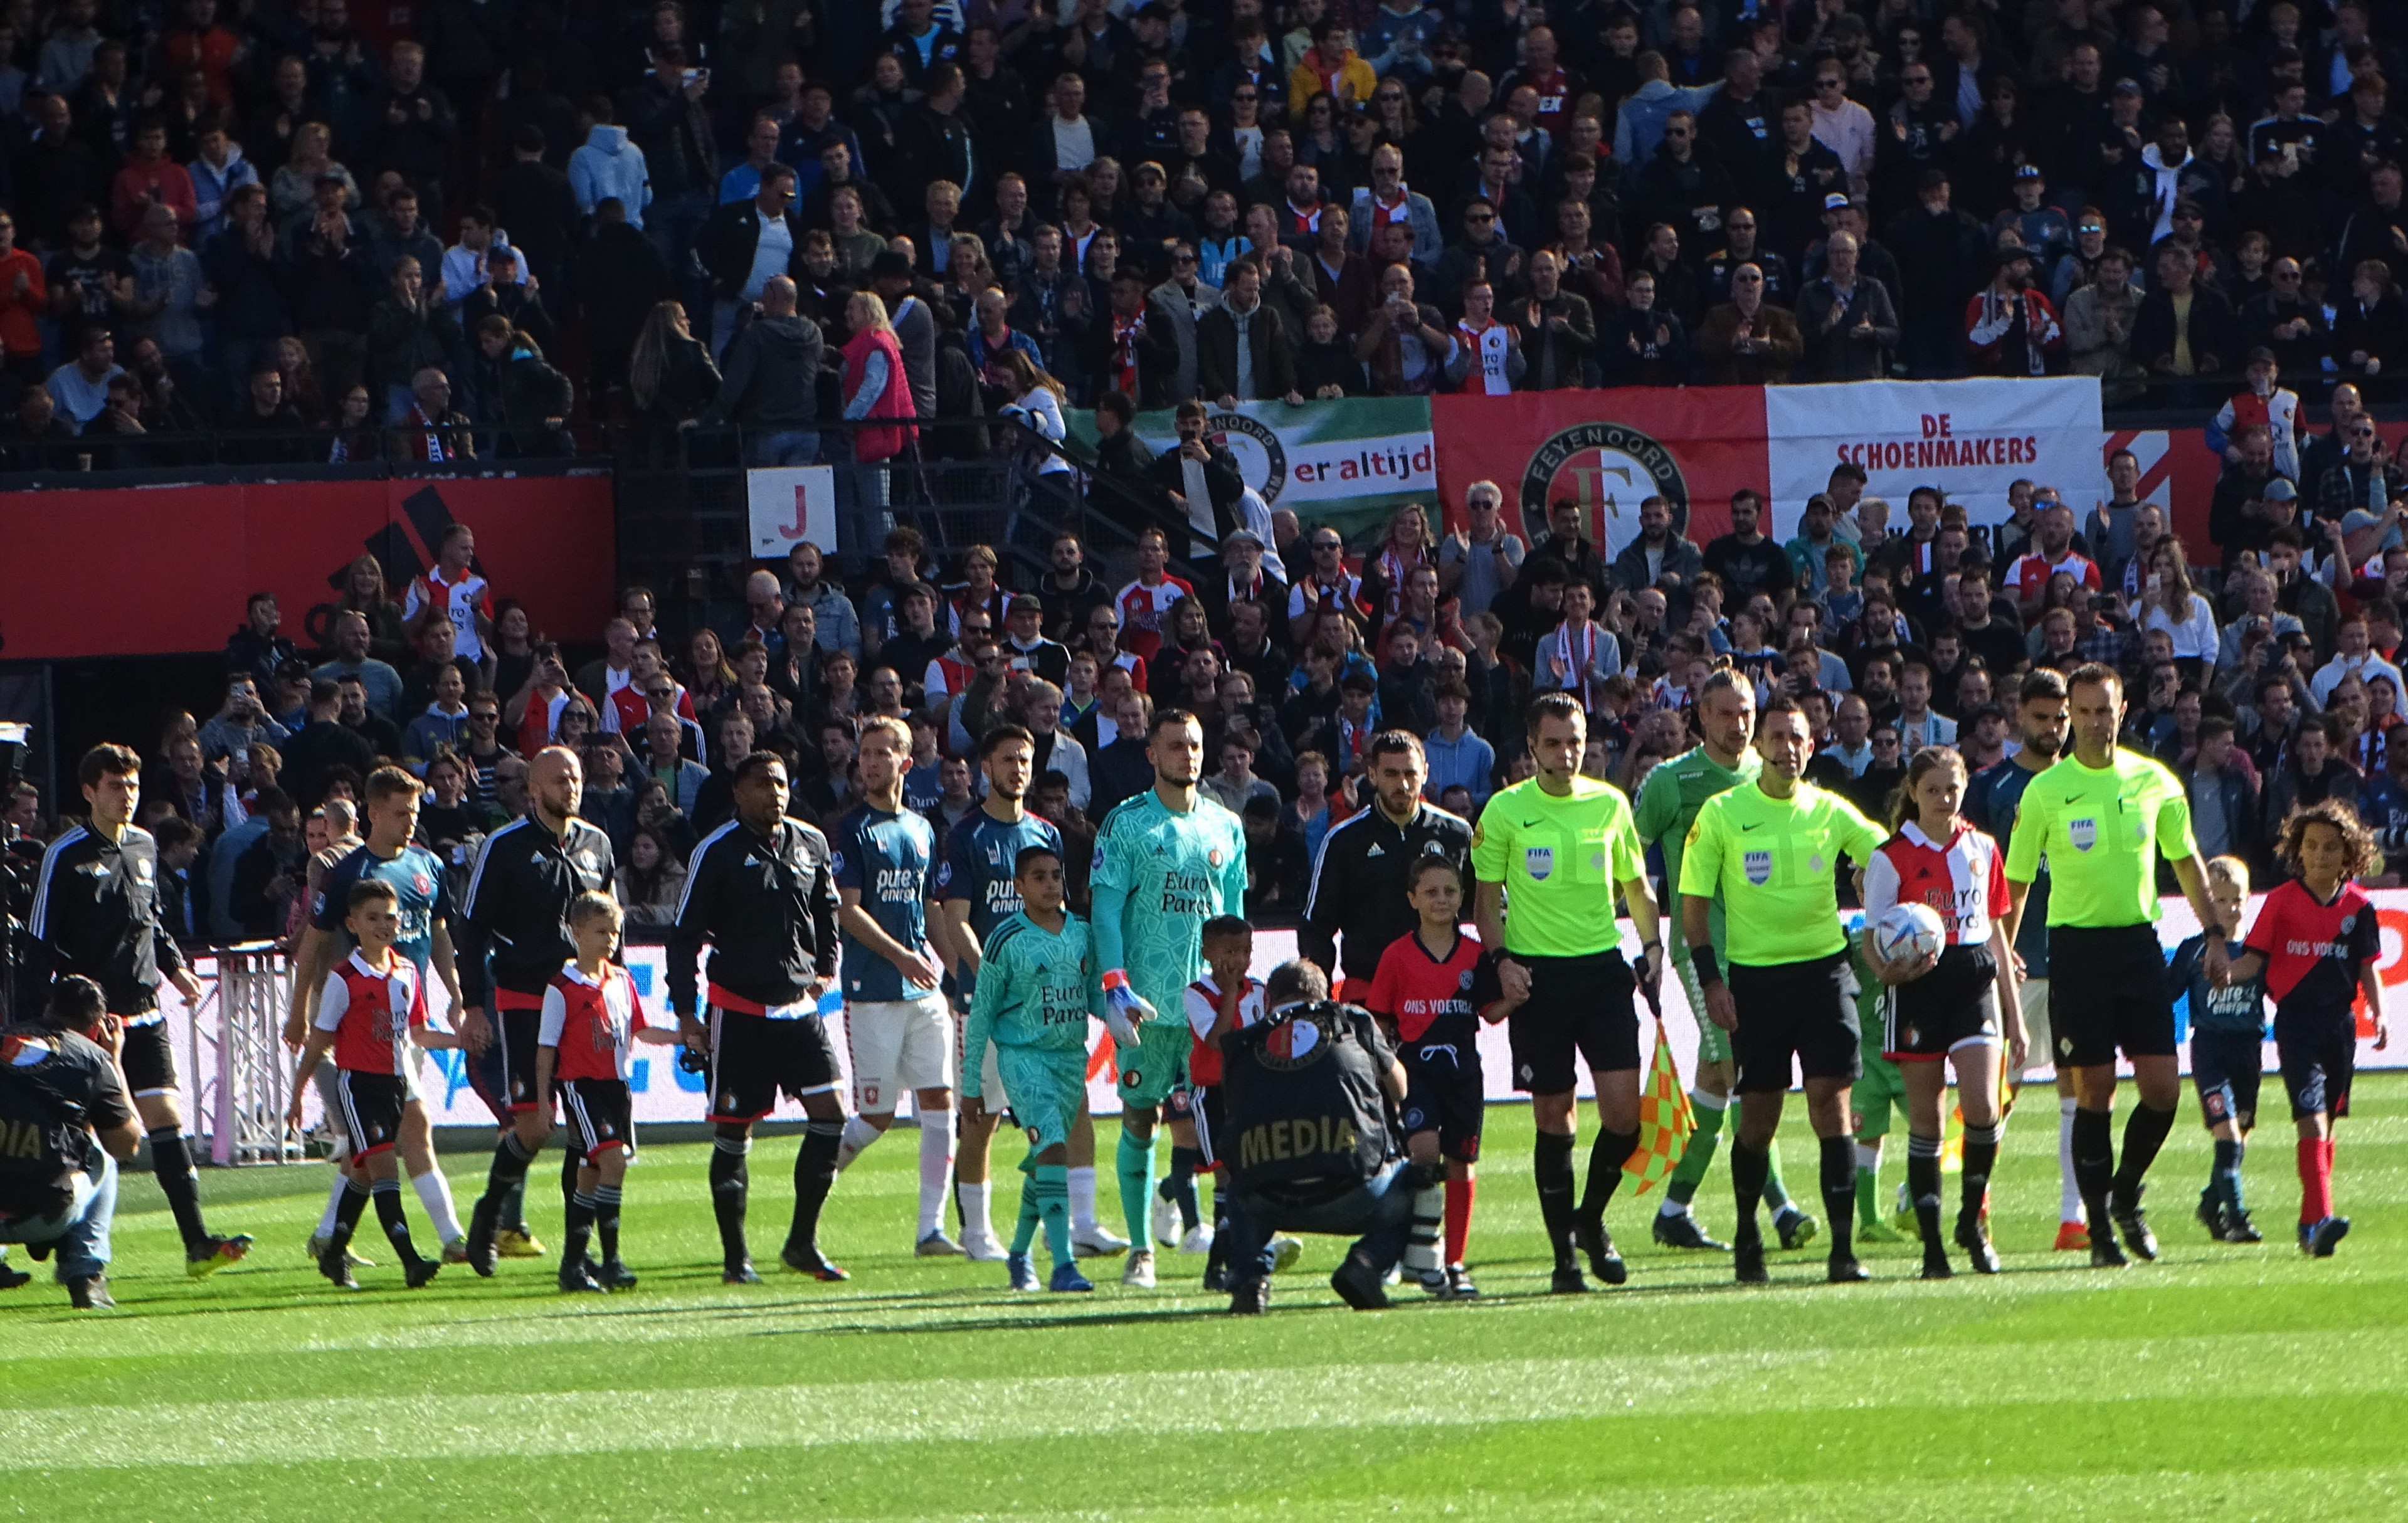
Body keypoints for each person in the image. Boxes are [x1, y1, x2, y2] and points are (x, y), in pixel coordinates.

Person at [2001, 664, 2229, 1269]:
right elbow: (2016, 882)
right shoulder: (2045, 791)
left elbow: (2186, 861)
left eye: (2105, 710)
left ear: (2122, 712)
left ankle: (2126, 1194)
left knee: (2162, 1088)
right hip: (2077, 952)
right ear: (2069, 716)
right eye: (2083, 711)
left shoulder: (2154, 781)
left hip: (2138, 946)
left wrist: (2215, 934)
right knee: (2094, 1090)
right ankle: (2099, 1227)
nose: (2095, 721)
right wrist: (2005, 952)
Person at [1679, 697, 1889, 1285]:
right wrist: (1713, 981)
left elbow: (1891, 855)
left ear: (1811, 746)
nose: (1787, 748)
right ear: (1760, 746)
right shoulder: (1723, 813)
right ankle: (1748, 1236)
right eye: (1777, 737)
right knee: (1758, 1118)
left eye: (1798, 738)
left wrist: (1871, 879)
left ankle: (1843, 1251)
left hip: (1825, 975)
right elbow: (1693, 908)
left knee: (1832, 1103)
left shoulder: (1829, 810)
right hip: (1756, 982)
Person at [24, 743, 250, 1277]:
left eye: (132, 785)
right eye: (114, 785)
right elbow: (37, 942)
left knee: (167, 1119)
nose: (126, 795)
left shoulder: (145, 845)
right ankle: (49, 1229)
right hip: (86, 1023)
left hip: (144, 1012)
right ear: (89, 792)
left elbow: (152, 921)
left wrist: (175, 968)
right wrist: (46, 1024)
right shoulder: (65, 855)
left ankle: (197, 1242)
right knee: (86, 1136)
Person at [1470, 692, 1664, 1294]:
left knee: (1626, 1119)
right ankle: (1564, 1259)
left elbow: (1637, 886)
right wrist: (1502, 960)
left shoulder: (1610, 804)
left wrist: (1653, 946)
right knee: (1555, 1117)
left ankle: (1590, 1218)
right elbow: (1485, 903)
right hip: (1539, 981)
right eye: (1553, 743)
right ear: (1532, 747)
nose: (1566, 753)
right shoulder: (1505, 811)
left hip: (1603, 973)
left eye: (1575, 741)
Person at [1634, 670, 1817, 1253]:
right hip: (1702, 949)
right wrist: (1649, 941)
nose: (1738, 725)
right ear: (1700, 716)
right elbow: (1629, 858)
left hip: (1761, 950)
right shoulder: (1671, 781)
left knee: (1721, 1078)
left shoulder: (1766, 773)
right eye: (1725, 714)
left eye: (1746, 714)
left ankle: (1675, 1208)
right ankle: (1782, 1208)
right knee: (1742, 1069)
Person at [667, 749, 848, 1282]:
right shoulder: (716, 851)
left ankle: (802, 1242)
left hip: (799, 1008)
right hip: (739, 1011)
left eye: (783, 783)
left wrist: (826, 965)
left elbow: (827, 908)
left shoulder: (810, 842)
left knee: (832, 1114)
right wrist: (686, 1012)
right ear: (739, 792)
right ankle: (736, 1259)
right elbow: (683, 937)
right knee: (733, 1130)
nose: (776, 793)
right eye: (765, 784)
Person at [1089, 707, 1250, 1289]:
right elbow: (1105, 909)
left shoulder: (1225, 825)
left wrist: (1239, 984)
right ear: (1152, 754)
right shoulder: (1127, 823)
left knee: (1223, 1122)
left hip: (1208, 1008)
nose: (1189, 754)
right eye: (1177, 745)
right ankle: (1140, 1249)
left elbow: (1234, 916)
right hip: (1146, 1004)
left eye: (1196, 744)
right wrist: (1114, 983)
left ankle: (1233, 1240)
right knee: (1141, 1117)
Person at [287, 766, 470, 1269]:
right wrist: (299, 1011)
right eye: (400, 811)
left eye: (414, 811)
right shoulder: (349, 872)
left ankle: (328, 1235)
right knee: (411, 1129)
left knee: (370, 1148)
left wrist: (456, 990)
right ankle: (451, 1236)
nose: (410, 821)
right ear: (373, 812)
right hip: (365, 1026)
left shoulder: (428, 865)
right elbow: (314, 941)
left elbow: (438, 933)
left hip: (405, 1020)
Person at [1859, 747, 2024, 1278]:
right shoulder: (1891, 857)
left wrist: (2016, 1016)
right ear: (1913, 792)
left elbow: (1996, 931)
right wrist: (1887, 972)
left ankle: (1971, 1221)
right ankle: (1932, 1246)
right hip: (1918, 986)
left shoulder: (1983, 847)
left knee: (1983, 1106)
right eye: (1932, 790)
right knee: (1927, 1120)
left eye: (1952, 789)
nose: (1944, 799)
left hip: (1973, 978)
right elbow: (1871, 937)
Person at [455, 746, 616, 1276]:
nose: (571, 786)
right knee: (533, 1126)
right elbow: (472, 928)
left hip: (583, 1002)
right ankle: (488, 1217)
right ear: (534, 789)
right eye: (559, 778)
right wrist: (473, 1005)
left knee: (587, 1130)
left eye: (575, 776)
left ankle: (579, 1251)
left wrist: (615, 989)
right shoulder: (504, 846)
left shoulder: (597, 844)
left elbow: (611, 923)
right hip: (525, 998)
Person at [935, 725, 1081, 1262]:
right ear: (986, 768)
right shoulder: (967, 836)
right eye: (1007, 759)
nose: (1018, 768)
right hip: (987, 1004)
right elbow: (956, 919)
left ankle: (1056, 1222)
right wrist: (994, 976)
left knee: (1054, 1116)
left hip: (1044, 1003)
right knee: (982, 1117)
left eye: (1024, 759)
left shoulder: (1047, 833)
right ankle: (976, 1232)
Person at [1217, 958, 1423, 1314]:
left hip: (1268, 1198)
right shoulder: (1354, 1020)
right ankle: (1367, 1263)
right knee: (1418, 1178)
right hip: (1355, 1193)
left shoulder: (1244, 1042)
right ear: (1327, 996)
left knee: (1237, 1191)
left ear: (1269, 1000)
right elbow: (1400, 1088)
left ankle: (1251, 1280)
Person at [2231, 800, 2390, 1257]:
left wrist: (2379, 1014)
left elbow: (2367, 967)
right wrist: (2224, 972)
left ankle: (2309, 1223)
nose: (2321, 855)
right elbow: (2253, 960)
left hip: (2340, 1027)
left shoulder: (2359, 907)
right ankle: (2322, 1218)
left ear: (2349, 854)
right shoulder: (2281, 902)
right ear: (2298, 851)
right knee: (2312, 1119)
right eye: (2312, 846)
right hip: (2296, 1024)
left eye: (2331, 847)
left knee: (2328, 1125)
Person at [1965, 668, 2089, 1251]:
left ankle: (2073, 1217)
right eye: (2042, 717)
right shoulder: (1991, 787)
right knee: (1995, 1095)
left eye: (2062, 717)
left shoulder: (2086, 781)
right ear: (2019, 715)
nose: (2054, 728)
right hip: (2012, 962)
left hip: (2072, 958)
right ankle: (1975, 1203)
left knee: (2077, 1088)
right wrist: (1995, 947)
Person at [283, 877, 457, 1289]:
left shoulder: (407, 971)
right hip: (360, 1087)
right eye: (373, 918)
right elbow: (320, 1041)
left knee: (361, 1172)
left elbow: (418, 1033)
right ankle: (411, 1260)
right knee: (384, 1170)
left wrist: (460, 1040)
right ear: (353, 924)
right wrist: (298, 1094)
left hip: (396, 1083)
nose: (384, 925)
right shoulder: (344, 978)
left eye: (390, 917)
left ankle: (333, 1253)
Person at [830, 716, 959, 1256]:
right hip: (873, 988)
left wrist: (955, 969)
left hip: (922, 990)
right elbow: (847, 909)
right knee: (877, 1116)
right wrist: (902, 956)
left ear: (906, 762)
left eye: (883, 753)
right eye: (866, 753)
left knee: (940, 1100)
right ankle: (817, 1180)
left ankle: (931, 1229)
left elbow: (930, 908)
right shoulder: (851, 829)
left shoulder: (923, 829)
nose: (871, 762)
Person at [1361, 856, 1511, 1300]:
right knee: (1424, 1153)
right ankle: (1416, 1248)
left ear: (1462, 897)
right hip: (1416, 1074)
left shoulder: (1474, 955)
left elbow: (1490, 1012)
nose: (1441, 899)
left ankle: (1455, 1262)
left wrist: (1517, 996)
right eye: (1431, 892)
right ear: (1413, 899)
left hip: (1464, 1074)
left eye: (1449, 891)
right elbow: (1378, 1020)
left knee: (1462, 1162)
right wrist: (1380, 1068)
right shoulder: (1397, 955)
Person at [959, 844, 1102, 1294]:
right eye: (1039, 877)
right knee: (1055, 1149)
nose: (1051, 884)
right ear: (1019, 887)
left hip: (1070, 1058)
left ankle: (1019, 1254)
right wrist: (970, 1084)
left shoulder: (1081, 932)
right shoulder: (1005, 939)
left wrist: (1121, 1014)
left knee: (1045, 1162)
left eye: (1056, 875)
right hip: (1024, 1058)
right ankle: (1063, 1265)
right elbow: (982, 1013)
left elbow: (1092, 994)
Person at [536, 892, 676, 1292]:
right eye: (601, 932)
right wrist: (546, 1102)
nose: (610, 940)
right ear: (577, 933)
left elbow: (640, 1030)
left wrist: (683, 1036)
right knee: (612, 1162)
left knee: (591, 1173)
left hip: (617, 1087)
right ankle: (612, 1261)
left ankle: (573, 1266)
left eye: (614, 932)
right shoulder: (562, 988)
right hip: (583, 1088)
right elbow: (546, 1050)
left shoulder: (622, 980)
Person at [1299, 731, 1473, 1002]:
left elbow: (1489, 908)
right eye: (1391, 774)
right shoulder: (1344, 840)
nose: (1402, 784)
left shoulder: (1457, 833)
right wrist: (1317, 998)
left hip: (1442, 991)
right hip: (1369, 991)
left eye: (1410, 774)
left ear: (1425, 773)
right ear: (1372, 775)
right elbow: (1316, 927)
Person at [0, 976, 139, 1309]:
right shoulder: (92, 1059)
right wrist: (114, 1061)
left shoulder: (5, 1039)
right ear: (95, 1027)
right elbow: (127, 1145)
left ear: (49, 1007)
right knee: (103, 1156)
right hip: (42, 1210)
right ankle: (86, 1274)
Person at [2167, 856, 2269, 1245]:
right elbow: (2166, 993)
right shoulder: (2193, 950)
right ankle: (2237, 1218)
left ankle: (2210, 1205)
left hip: (2249, 1051)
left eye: (2237, 899)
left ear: (2249, 897)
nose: (2230, 908)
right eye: (2220, 900)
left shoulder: (2257, 949)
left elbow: (2280, 986)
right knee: (2226, 1133)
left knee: (2239, 1135)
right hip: (2210, 1052)